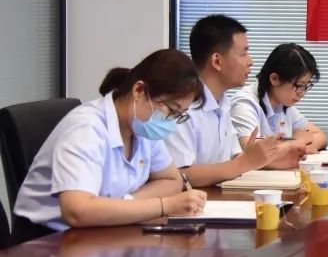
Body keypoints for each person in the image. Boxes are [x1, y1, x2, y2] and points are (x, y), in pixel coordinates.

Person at [12, 49, 208, 244]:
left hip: (100, 233)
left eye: (178, 115)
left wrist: (128, 203)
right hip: (47, 242)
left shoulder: (141, 127)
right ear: (139, 91)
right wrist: (163, 206)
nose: (170, 121)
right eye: (171, 109)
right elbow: (77, 210)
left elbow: (171, 179)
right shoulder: (87, 128)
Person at [164, 14, 290, 188]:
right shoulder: (181, 106)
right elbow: (180, 176)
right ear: (217, 61)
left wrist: (272, 159)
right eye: (244, 53)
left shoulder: (222, 101)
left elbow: (233, 159)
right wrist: (245, 162)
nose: (250, 61)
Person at [230, 43, 327, 154]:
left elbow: (319, 135)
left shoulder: (283, 103)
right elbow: (254, 153)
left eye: (306, 86)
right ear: (275, 79)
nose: (302, 93)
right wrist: (299, 141)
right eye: (299, 85)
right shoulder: (245, 104)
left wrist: (306, 147)